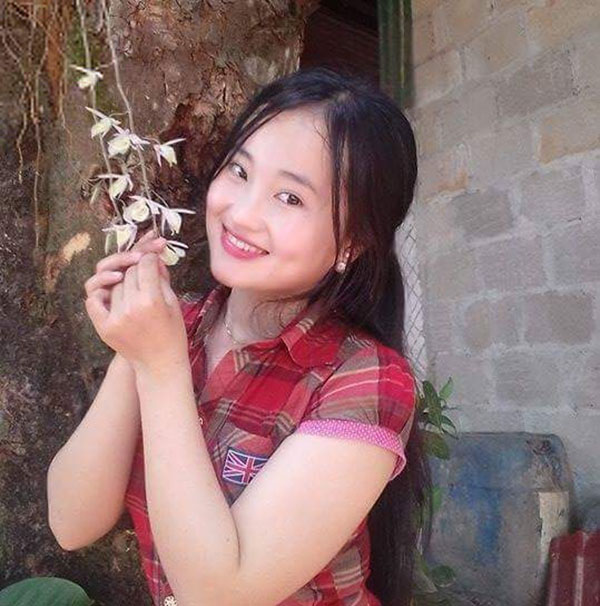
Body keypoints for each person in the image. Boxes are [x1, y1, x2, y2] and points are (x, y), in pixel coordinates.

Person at [47, 66, 432, 606]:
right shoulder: (172, 328)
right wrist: (134, 351)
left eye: (290, 198)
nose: (242, 213)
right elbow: (72, 523)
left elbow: (218, 594)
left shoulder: (365, 379)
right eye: (239, 170)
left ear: (352, 243)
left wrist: (159, 366)